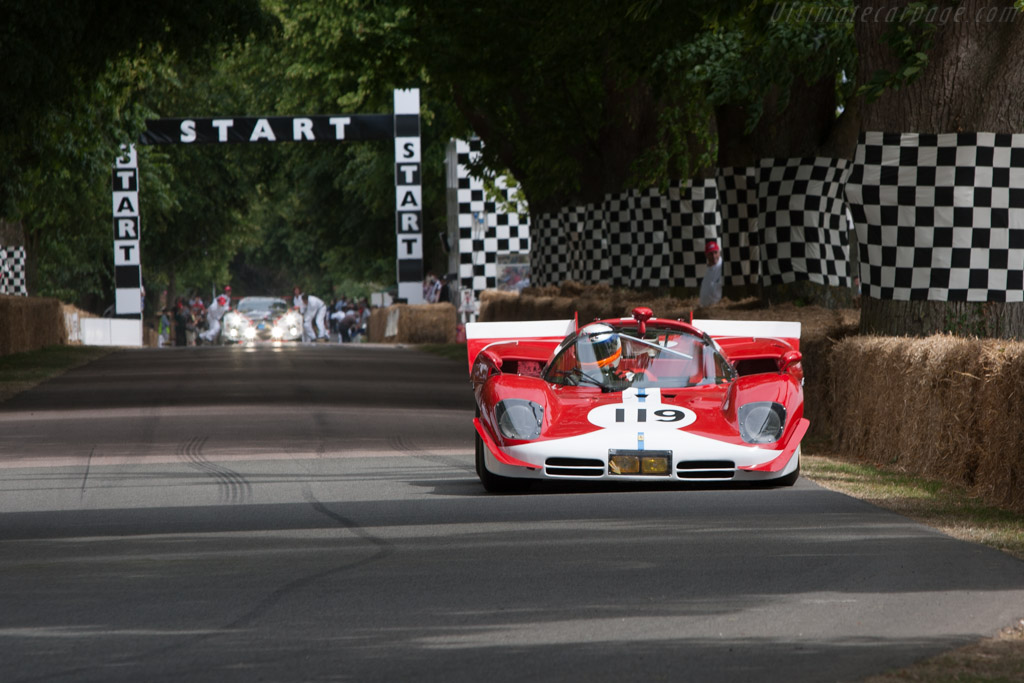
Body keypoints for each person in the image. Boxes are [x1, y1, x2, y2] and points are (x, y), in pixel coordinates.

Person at [700, 239, 723, 308]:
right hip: (705, 309)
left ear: (719, 252)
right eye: (710, 254)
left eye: (715, 253)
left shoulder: (723, 266)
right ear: (706, 255)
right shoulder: (707, 269)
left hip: (717, 308)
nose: (713, 256)